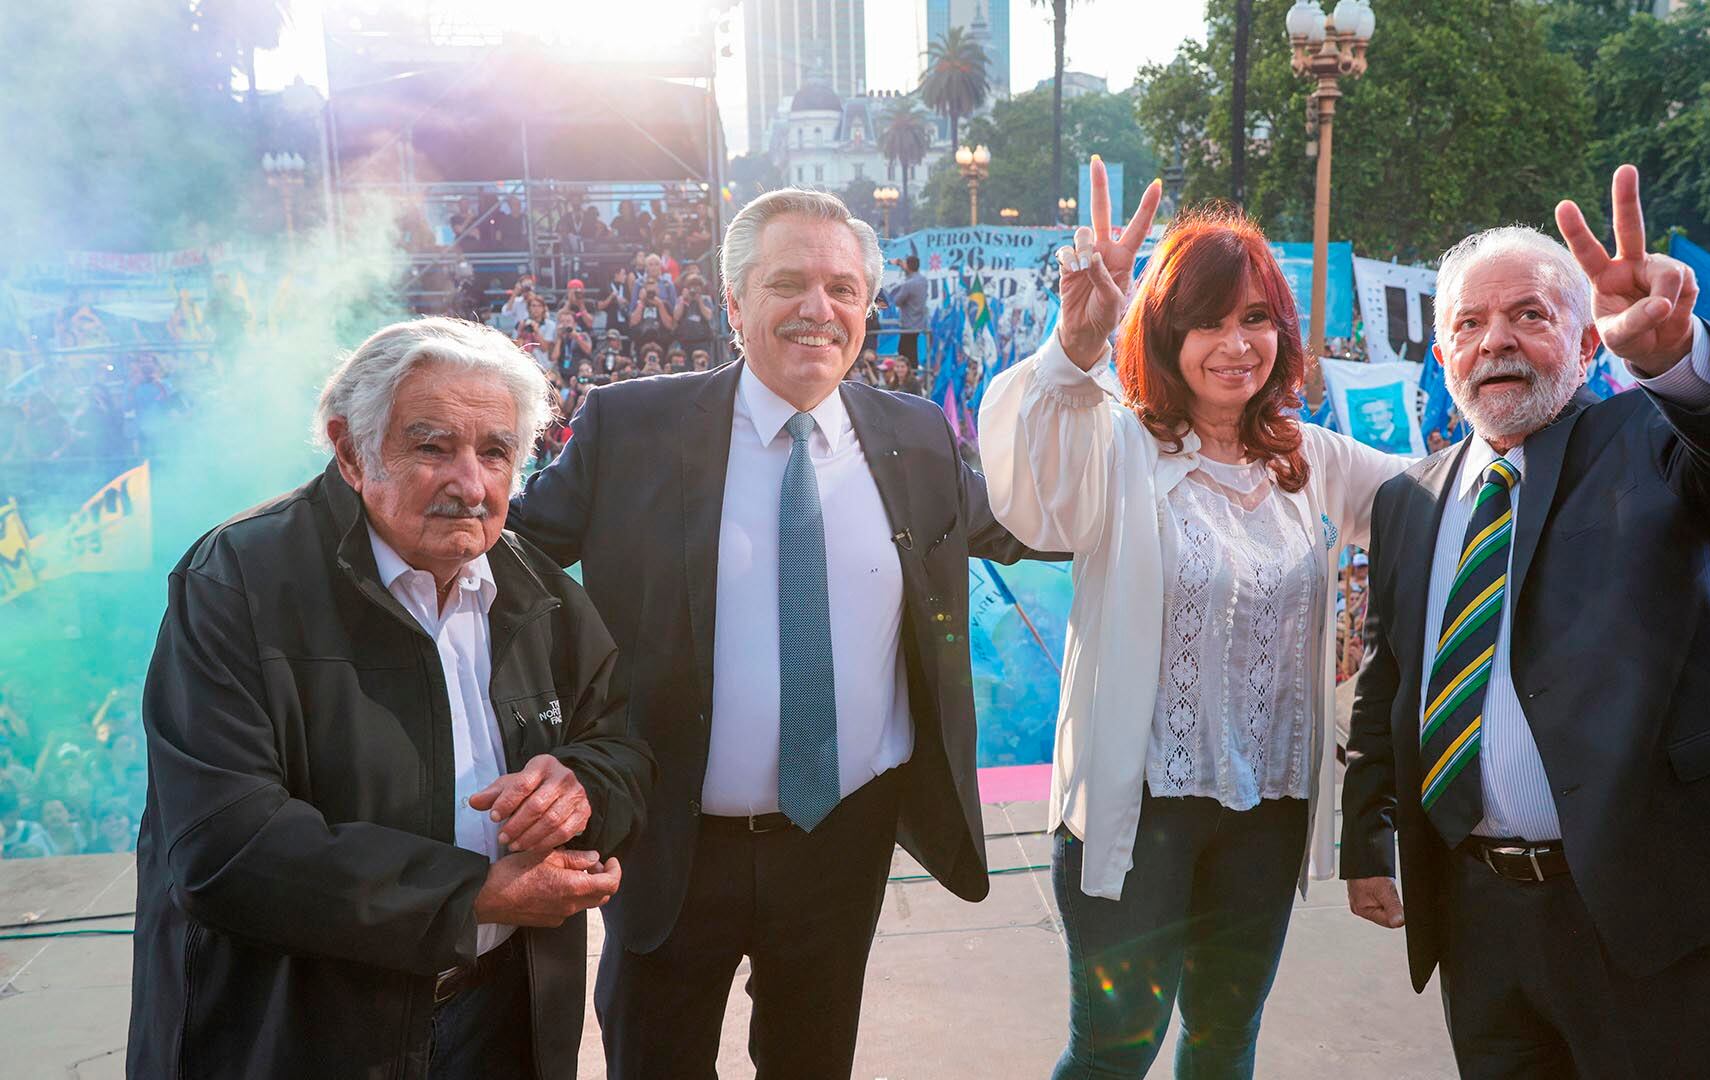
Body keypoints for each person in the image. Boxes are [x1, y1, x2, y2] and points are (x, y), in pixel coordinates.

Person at [509, 186, 1051, 1079]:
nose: (818, 309)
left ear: (868, 308)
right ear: (734, 303)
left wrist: (1082, 362)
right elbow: (505, 557)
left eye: (843, 289)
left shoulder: (914, 434)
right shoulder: (632, 427)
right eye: (788, 283)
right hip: (670, 841)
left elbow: (1035, 523)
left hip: (842, 838)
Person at [1340, 166, 1710, 1077]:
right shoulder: (1409, 499)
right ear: (1443, 354)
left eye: (1529, 315)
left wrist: (1674, 356)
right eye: (1469, 323)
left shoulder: (1655, 440)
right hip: (1480, 920)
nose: (1496, 340)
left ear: (1582, 341)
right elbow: (1391, 679)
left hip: (1663, 909)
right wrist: (1366, 838)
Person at [129, 317, 656, 1079]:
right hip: (302, 1033)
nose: (470, 485)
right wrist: (471, 897)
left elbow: (619, 746)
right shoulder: (239, 580)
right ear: (350, 452)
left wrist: (583, 789)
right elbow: (224, 844)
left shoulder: (538, 589)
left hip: (502, 1022)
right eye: (433, 447)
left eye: (496, 453)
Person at [978, 160, 1409, 1079]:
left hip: (1267, 813)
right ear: (1165, 334)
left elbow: (1437, 501)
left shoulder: (1307, 458)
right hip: (1137, 814)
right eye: (1207, 321)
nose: (1235, 344)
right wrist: (1075, 345)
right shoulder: (1119, 445)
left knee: (1224, 1042)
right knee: (1113, 1053)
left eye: (1255, 317)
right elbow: (1034, 495)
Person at [887, 255, 929, 370]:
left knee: (905, 352)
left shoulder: (908, 284)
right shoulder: (923, 280)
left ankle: (910, 374)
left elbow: (897, 301)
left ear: (908, 266)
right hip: (918, 322)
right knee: (912, 350)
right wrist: (901, 265)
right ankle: (913, 372)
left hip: (908, 323)